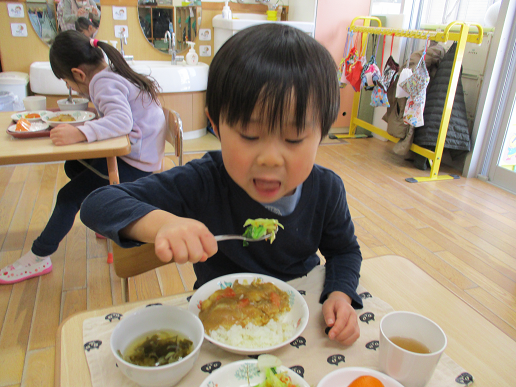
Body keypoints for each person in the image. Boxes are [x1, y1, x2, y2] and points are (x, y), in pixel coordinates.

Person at [80, 24, 363, 346]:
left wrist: (340, 292)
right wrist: (163, 224)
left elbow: (344, 251)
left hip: (303, 314)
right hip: (223, 323)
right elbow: (98, 203)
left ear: (322, 132)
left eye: (294, 138)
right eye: (249, 135)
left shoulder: (326, 190)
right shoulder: (203, 182)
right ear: (215, 123)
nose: (270, 158)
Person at [0, 30, 166, 285]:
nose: (72, 90)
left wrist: (80, 133)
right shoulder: (109, 74)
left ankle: (39, 256)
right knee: (74, 166)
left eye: (69, 84)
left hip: (136, 163)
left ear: (78, 73)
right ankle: (107, 212)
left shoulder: (102, 82)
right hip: (138, 154)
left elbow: (122, 121)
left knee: (69, 196)